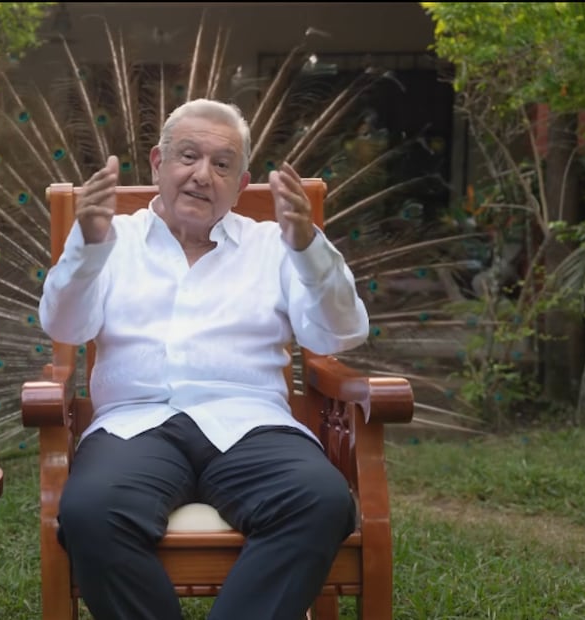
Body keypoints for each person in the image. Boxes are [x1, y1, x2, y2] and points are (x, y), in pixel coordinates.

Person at [37, 98, 370, 620]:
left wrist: (308, 247)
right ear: (157, 164)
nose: (201, 175)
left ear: (241, 184)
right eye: (188, 156)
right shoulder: (112, 239)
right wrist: (87, 247)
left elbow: (343, 332)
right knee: (90, 512)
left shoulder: (275, 245)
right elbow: (64, 326)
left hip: (250, 423)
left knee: (321, 500)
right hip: (135, 425)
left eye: (222, 164)